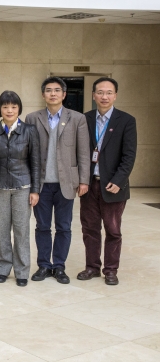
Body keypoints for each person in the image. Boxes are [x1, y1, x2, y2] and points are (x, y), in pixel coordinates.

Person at [25, 77, 90, 284]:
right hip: (41, 184)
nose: (52, 94)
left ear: (64, 94)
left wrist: (84, 180)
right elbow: (27, 152)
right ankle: (44, 265)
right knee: (42, 226)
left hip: (66, 183)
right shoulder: (32, 118)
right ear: (43, 94)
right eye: (48, 90)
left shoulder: (77, 118)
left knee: (64, 227)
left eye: (57, 90)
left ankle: (59, 266)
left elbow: (83, 152)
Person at [78, 77, 137, 286]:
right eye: (100, 92)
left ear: (115, 96)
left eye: (109, 92)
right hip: (89, 184)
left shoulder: (126, 120)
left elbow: (129, 155)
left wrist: (119, 180)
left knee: (113, 230)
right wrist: (80, 180)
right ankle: (92, 267)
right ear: (93, 95)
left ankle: (111, 270)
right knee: (90, 229)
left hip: (113, 186)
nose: (104, 96)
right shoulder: (84, 119)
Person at [0, 91, 40, 287]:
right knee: (2, 230)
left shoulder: (30, 131)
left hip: (23, 186)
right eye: (5, 106)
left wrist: (35, 190)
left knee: (22, 230)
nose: (9, 110)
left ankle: (22, 271)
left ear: (19, 109)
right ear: (0, 109)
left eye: (13, 107)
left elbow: (36, 162)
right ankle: (2, 268)